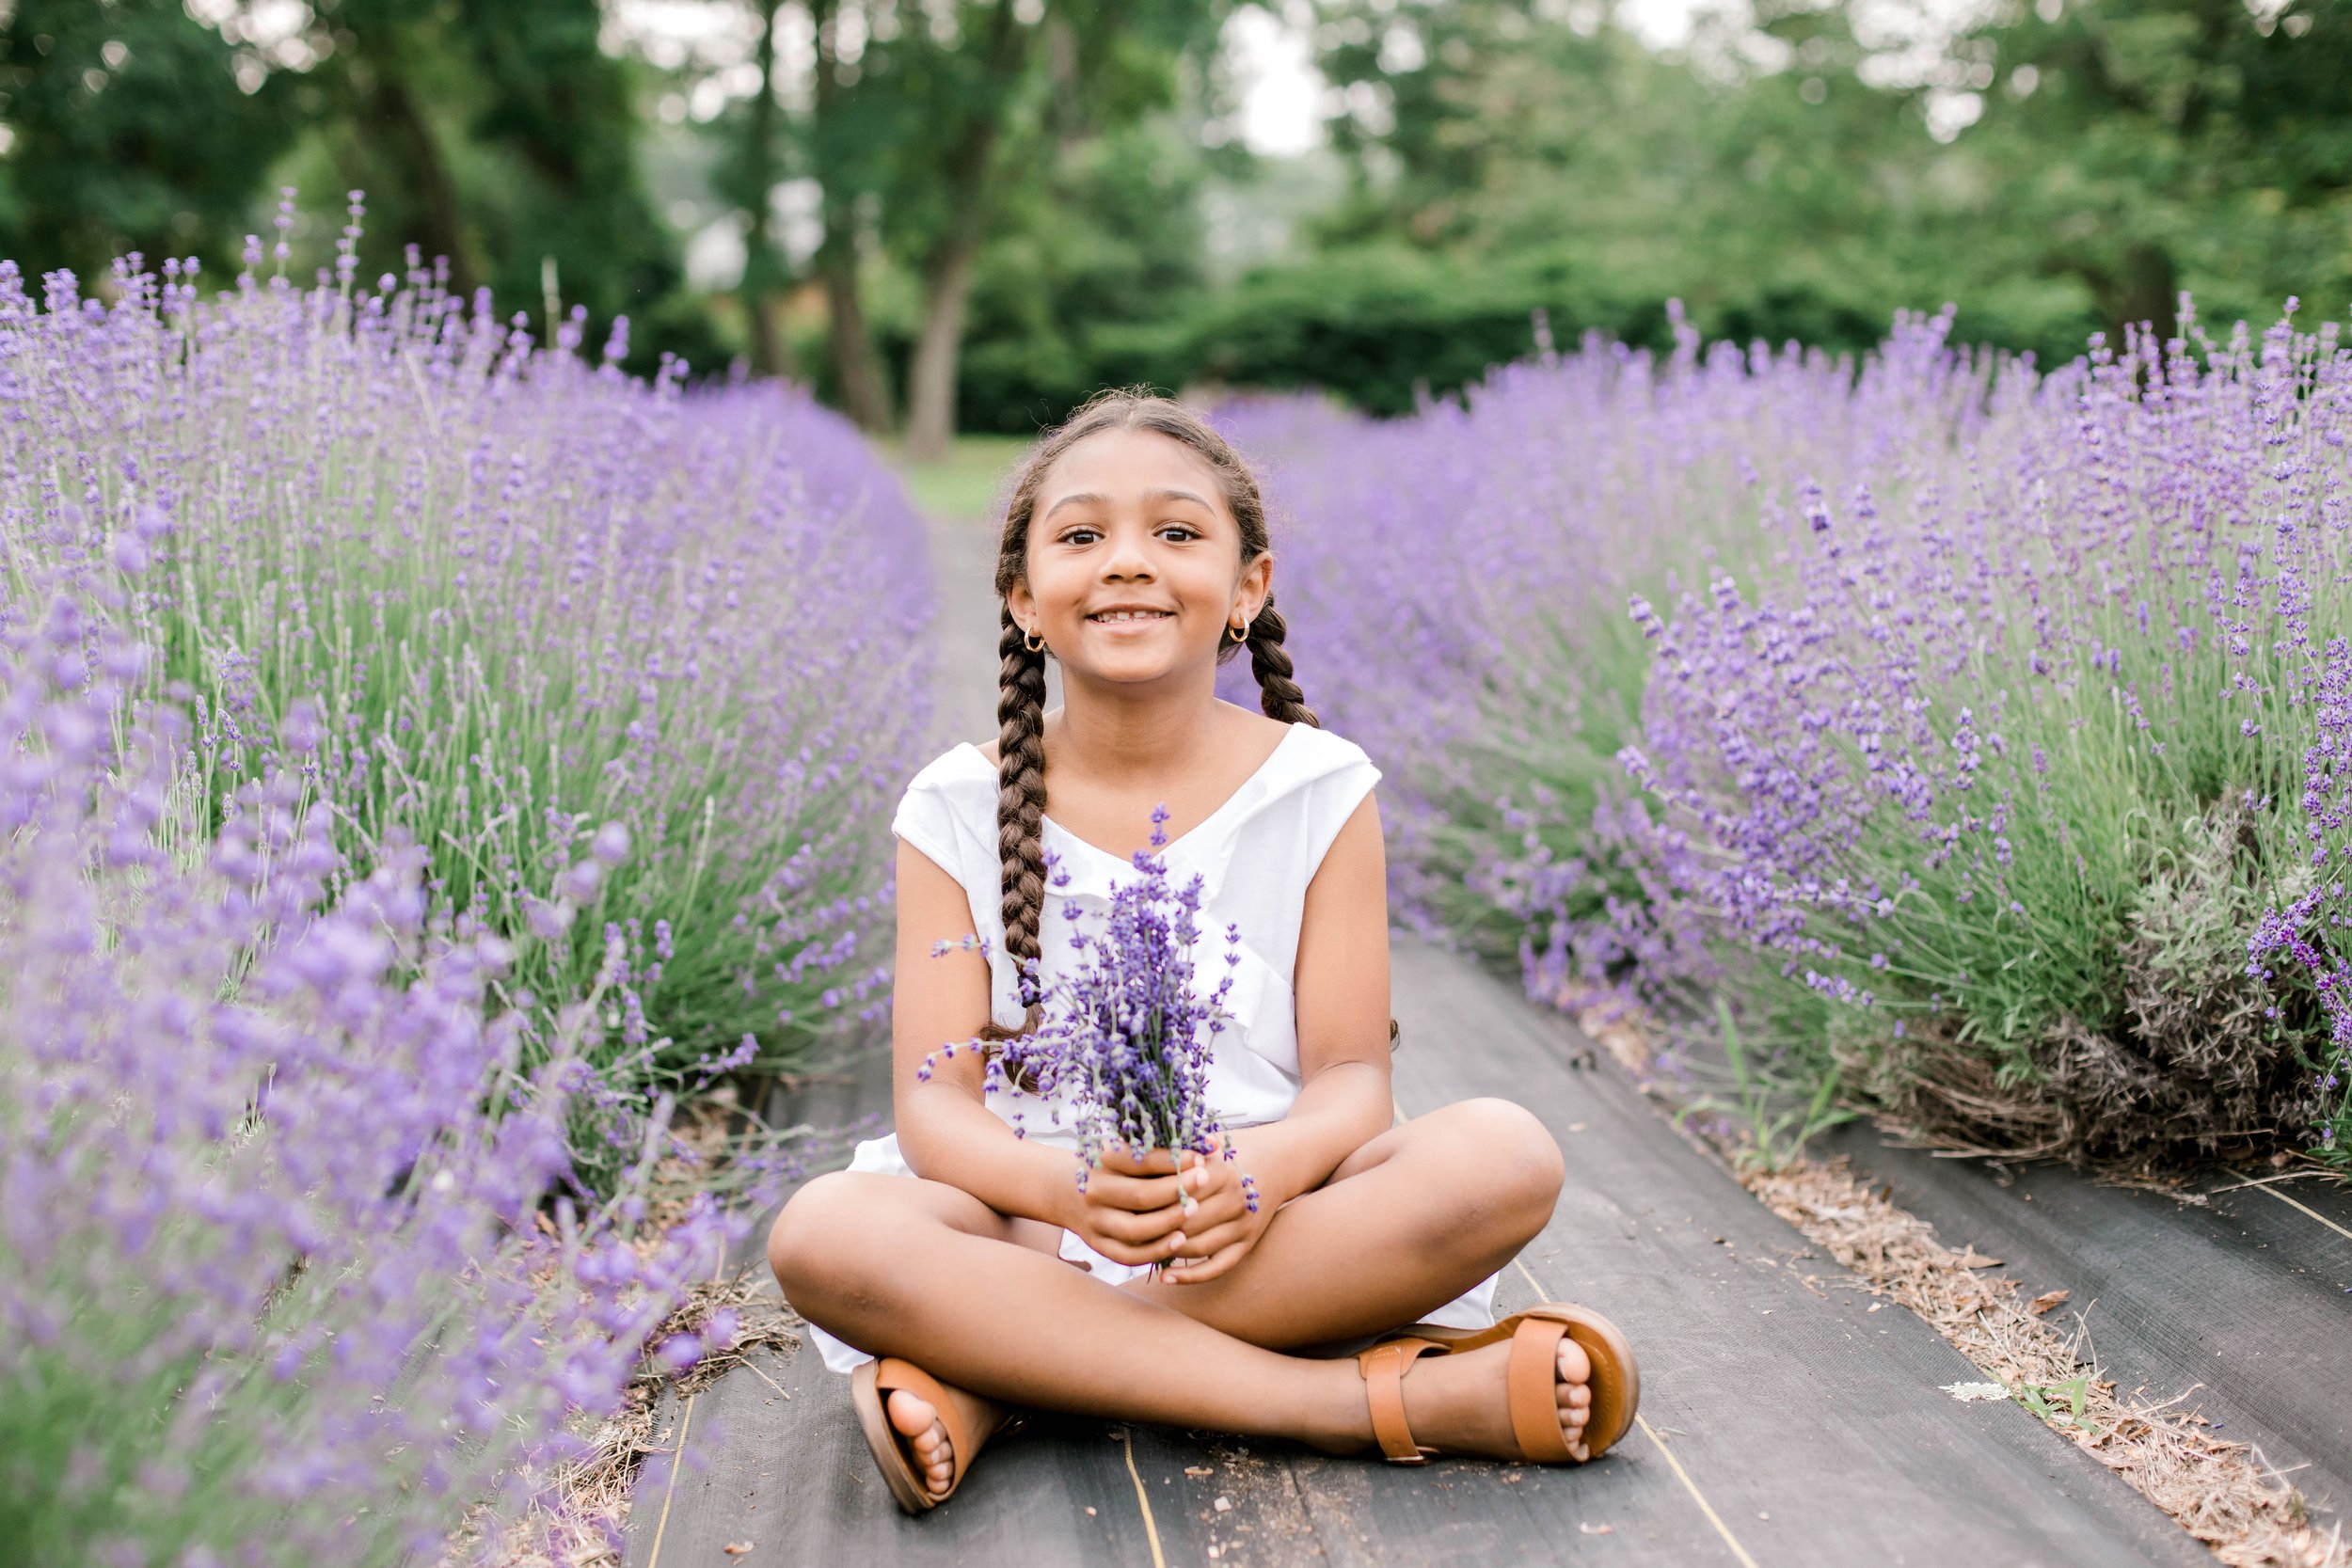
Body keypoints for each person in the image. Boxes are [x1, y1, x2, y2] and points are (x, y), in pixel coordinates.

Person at [767, 389, 1638, 1513]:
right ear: (1024, 598)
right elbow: (938, 1108)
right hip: (1026, 1222)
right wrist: (1065, 1191)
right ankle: (1365, 1405)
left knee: (1503, 1154)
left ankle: (1006, 1375)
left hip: (1256, 1229)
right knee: (826, 1233)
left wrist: (1261, 1172)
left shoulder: (1320, 787)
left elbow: (1350, 1081)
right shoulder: (953, 802)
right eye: (1082, 536)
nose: (1128, 561)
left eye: (1176, 533)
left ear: (1247, 589)